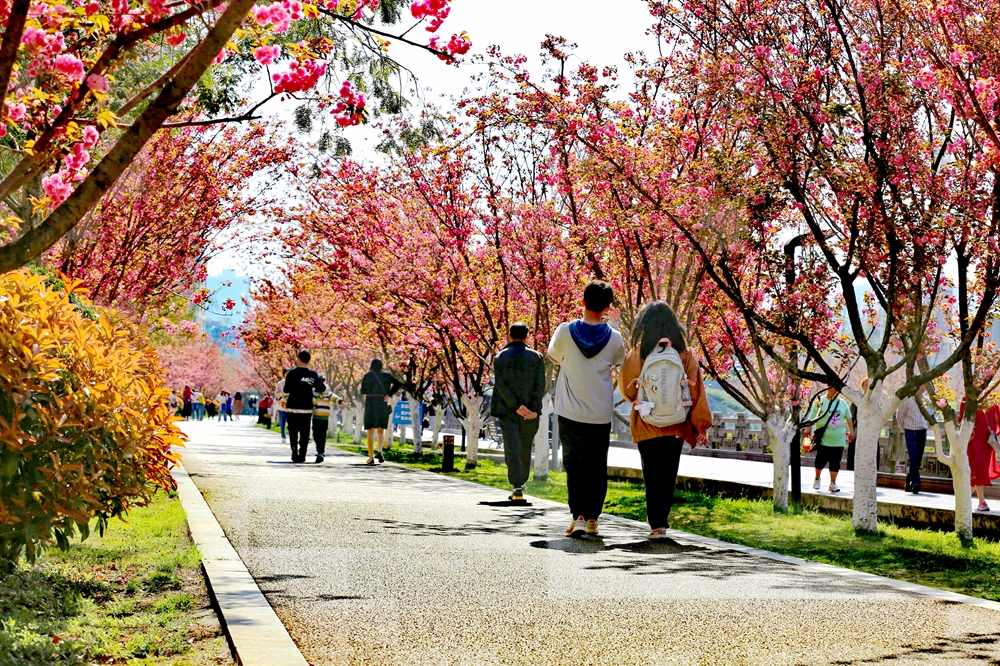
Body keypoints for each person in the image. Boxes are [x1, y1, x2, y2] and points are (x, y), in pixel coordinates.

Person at [619, 301, 712, 538]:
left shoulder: (639, 352)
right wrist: (700, 425)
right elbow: (696, 391)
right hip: (676, 424)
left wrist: (640, 400)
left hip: (647, 421)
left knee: (651, 473)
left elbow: (627, 388)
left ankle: (656, 523)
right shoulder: (685, 354)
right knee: (668, 473)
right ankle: (662, 520)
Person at [547, 280, 627, 537]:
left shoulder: (564, 331)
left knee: (575, 465)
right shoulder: (613, 337)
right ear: (606, 307)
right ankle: (593, 517)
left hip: (570, 410)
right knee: (596, 466)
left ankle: (578, 516)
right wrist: (612, 325)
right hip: (600, 413)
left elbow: (553, 356)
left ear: (582, 302)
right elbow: (618, 360)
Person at [491, 322, 546, 501]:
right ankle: (521, 483)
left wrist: (516, 406)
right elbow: (540, 386)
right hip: (530, 413)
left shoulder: (500, 357)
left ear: (509, 335)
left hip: (508, 411)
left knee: (512, 447)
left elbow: (501, 386)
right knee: (525, 446)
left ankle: (517, 485)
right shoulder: (537, 357)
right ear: (527, 336)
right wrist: (533, 409)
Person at [808, 387, 854, 493]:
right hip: (824, 438)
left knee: (835, 462)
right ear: (828, 388)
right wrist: (808, 428)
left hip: (838, 439)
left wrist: (851, 431)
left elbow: (848, 417)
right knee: (820, 460)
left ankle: (832, 483)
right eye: (833, 387)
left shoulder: (842, 403)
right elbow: (812, 416)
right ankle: (817, 478)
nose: (835, 390)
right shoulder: (820, 402)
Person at [283, 350, 326, 463]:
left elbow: (286, 389)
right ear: (308, 360)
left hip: (292, 406)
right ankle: (302, 455)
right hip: (306, 407)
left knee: (293, 431)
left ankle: (294, 451)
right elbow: (321, 388)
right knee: (305, 432)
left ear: (298, 359)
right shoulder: (312, 375)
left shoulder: (292, 374)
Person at [360, 359, 401, 465]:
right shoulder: (387, 376)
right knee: (380, 430)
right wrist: (389, 394)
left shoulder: (367, 376)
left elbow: (362, 390)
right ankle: (380, 451)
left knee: (370, 431)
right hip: (382, 403)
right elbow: (398, 383)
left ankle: (370, 456)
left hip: (370, 403)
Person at [964, 399, 1000, 512]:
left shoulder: (989, 398)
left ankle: (966, 500)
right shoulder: (971, 397)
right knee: (979, 470)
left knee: (980, 470)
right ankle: (979, 501)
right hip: (980, 440)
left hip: (981, 440)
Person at [895, 387, 929, 494]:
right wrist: (903, 426)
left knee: (918, 459)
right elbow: (899, 415)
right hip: (910, 431)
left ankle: (908, 481)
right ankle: (916, 483)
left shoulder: (926, 400)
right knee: (913, 457)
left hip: (922, 432)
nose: (925, 387)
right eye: (923, 384)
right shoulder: (908, 399)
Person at [312, 389, 335, 463]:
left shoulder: (327, 392)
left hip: (325, 418)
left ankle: (320, 452)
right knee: (316, 434)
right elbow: (312, 401)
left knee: (322, 435)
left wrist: (339, 400)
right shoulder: (314, 392)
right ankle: (319, 450)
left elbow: (334, 397)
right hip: (316, 417)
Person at [274, 374, 288, 443]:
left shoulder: (294, 382)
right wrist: (283, 394)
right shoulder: (280, 383)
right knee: (282, 423)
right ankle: (283, 437)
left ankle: (293, 436)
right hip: (281, 406)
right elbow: (276, 393)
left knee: (292, 423)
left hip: (291, 406)